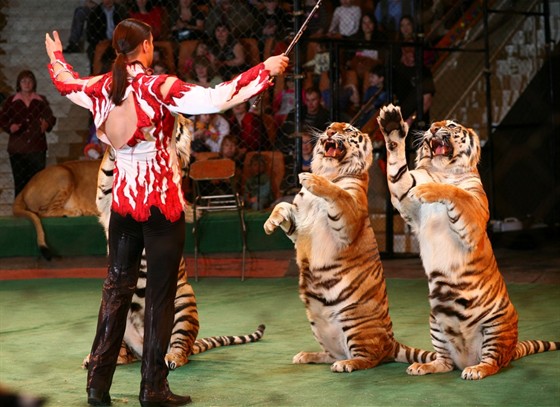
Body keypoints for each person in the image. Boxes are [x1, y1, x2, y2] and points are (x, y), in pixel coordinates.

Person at [45, 18, 288, 407]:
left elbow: (65, 83)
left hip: (124, 207)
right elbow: (215, 98)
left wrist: (57, 56)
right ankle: (153, 388)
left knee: (115, 292)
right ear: (146, 47)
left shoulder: (101, 87)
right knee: (160, 297)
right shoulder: (159, 87)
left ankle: (97, 386)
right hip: (161, 208)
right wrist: (264, 70)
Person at [0, 70, 57, 197]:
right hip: (17, 148)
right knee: (20, 181)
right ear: (19, 84)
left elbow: (51, 117)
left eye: (29, 81)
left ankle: (36, 205)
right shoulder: (11, 101)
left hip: (37, 147)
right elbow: (2, 119)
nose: (27, 84)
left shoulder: (41, 100)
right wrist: (10, 127)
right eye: (23, 81)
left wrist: (47, 123)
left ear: (34, 83)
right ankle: (19, 206)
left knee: (38, 180)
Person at [393, 46, 435, 129]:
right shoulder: (396, 71)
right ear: (403, 51)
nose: (412, 54)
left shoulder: (423, 71)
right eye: (409, 50)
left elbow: (427, 100)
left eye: (414, 51)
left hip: (418, 122)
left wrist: (412, 118)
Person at [86, 0, 129, 73]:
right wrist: (99, 41)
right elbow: (90, 34)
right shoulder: (95, 12)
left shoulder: (121, 10)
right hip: (102, 41)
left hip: (118, 41)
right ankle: (96, 74)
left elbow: (128, 28)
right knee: (93, 50)